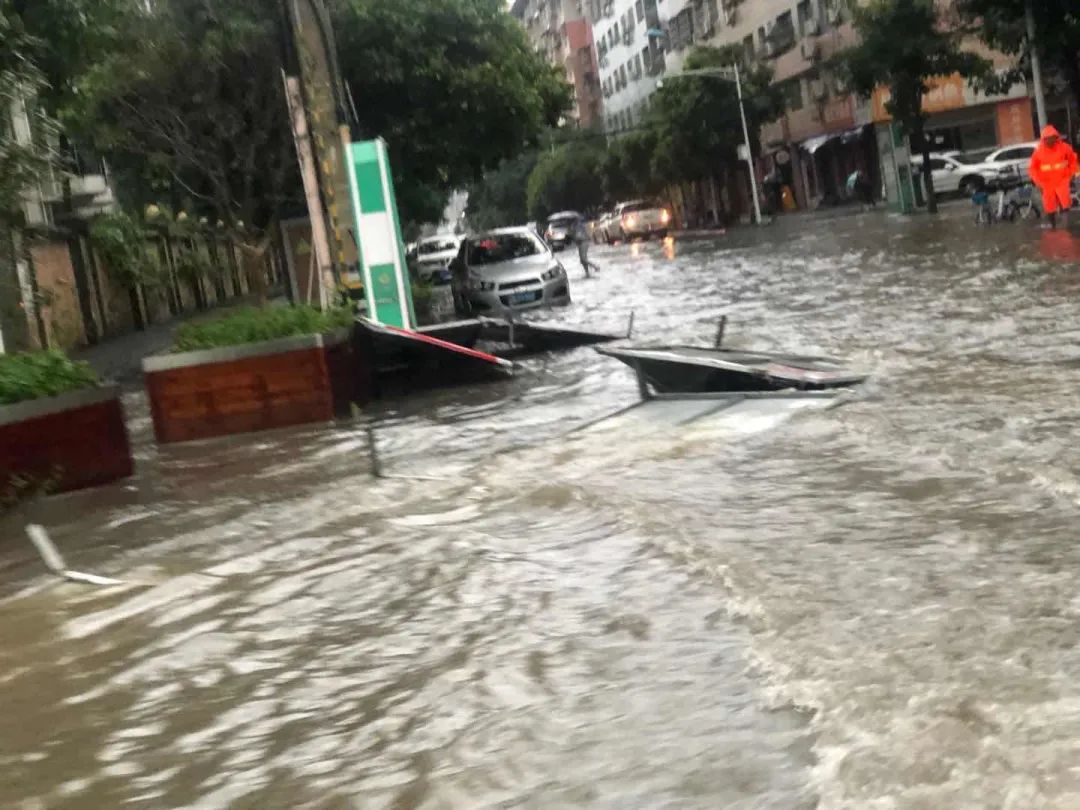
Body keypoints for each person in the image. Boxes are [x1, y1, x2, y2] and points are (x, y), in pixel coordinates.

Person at [1029, 125, 1078, 229]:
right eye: (1047, 139)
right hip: (1046, 183)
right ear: (1044, 139)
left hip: (1062, 180)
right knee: (1049, 206)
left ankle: (1065, 226)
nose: (1050, 141)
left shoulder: (1065, 148)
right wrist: (1038, 182)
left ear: (1056, 138)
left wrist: (1071, 175)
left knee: (1065, 203)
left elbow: (1073, 161)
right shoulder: (1038, 152)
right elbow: (1033, 169)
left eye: (1052, 138)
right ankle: (1053, 226)